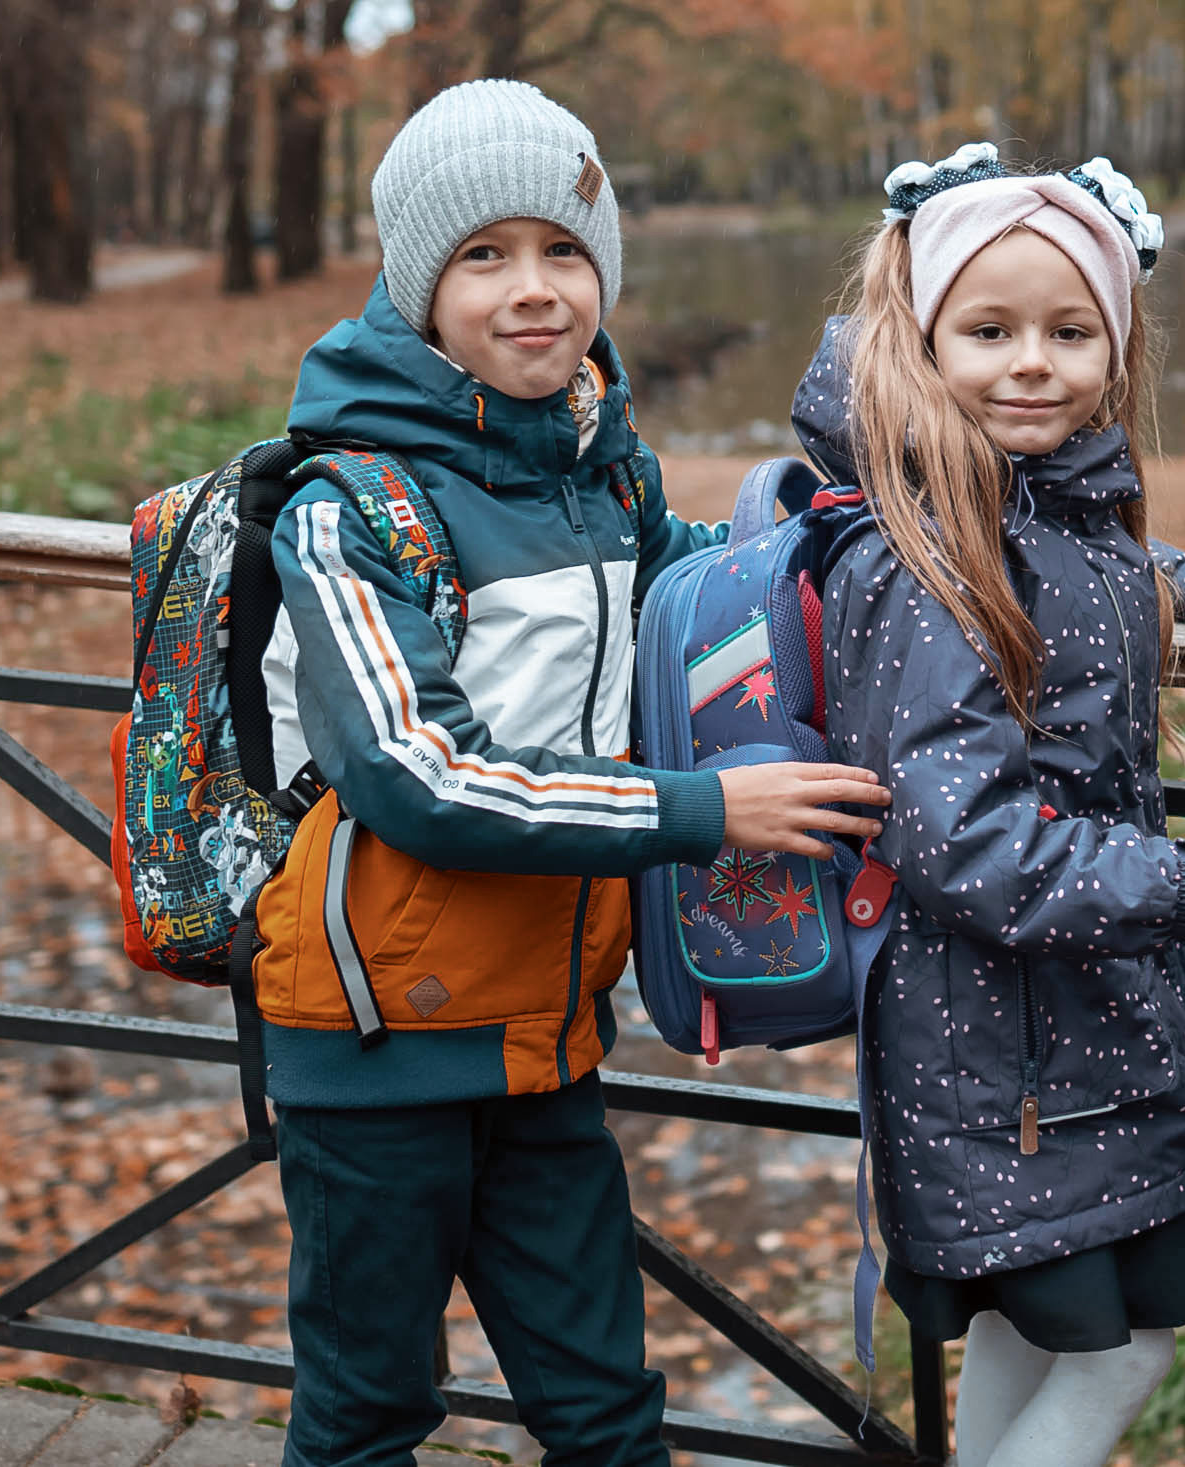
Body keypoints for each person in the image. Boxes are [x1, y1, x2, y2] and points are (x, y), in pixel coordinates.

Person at [249, 78, 890, 1467]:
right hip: (376, 1046)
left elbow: (704, 600)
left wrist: (849, 533)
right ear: (420, 283)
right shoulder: (349, 504)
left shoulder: (604, 473)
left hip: (547, 1036)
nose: (534, 290)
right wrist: (704, 811)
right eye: (485, 255)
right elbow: (416, 775)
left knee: (605, 1411)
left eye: (566, 250)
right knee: (366, 1413)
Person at [794, 143, 1185, 1467]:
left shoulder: (1027, 498)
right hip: (1008, 1041)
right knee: (1120, 1348)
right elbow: (966, 838)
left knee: (1038, 1328)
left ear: (1119, 345)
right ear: (920, 339)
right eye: (988, 331)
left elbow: (1082, 555)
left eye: (1069, 330)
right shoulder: (917, 552)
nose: (1032, 363)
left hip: (1055, 1034)